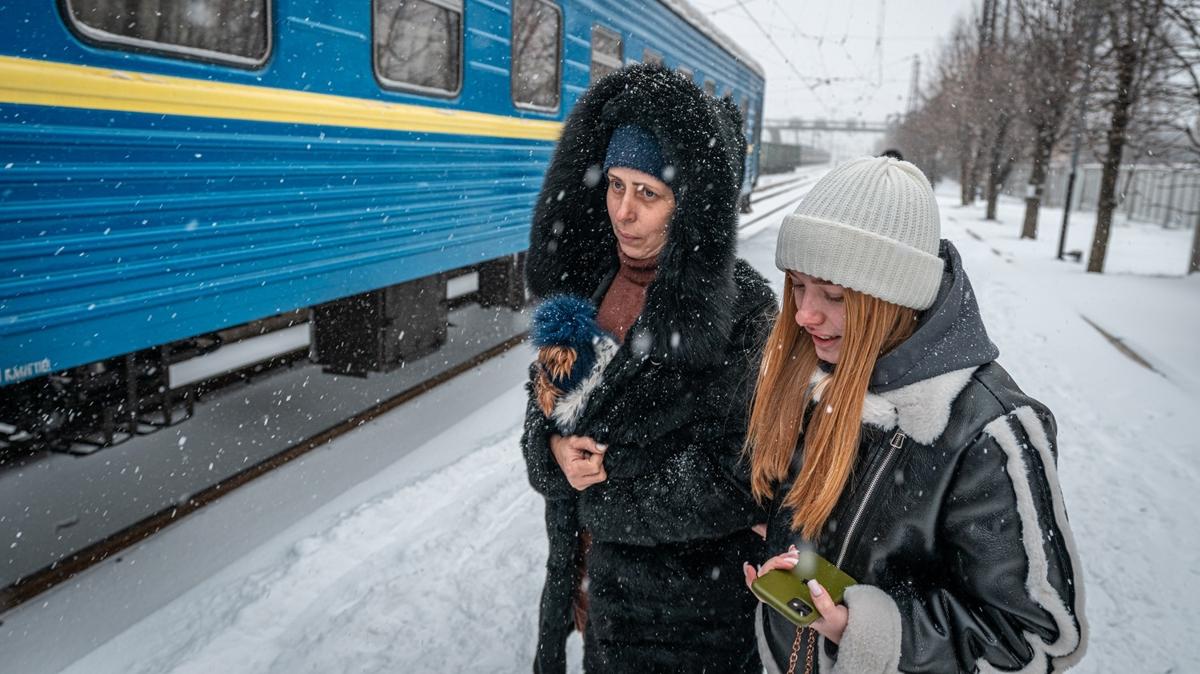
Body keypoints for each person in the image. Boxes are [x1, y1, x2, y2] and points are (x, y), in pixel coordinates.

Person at [742, 157, 1088, 673]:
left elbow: (1038, 639)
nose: (803, 314)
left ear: (894, 299)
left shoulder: (988, 430)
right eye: (796, 285)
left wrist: (863, 632)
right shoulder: (817, 371)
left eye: (833, 294)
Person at [520, 63, 776, 673]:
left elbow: (744, 477)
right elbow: (542, 417)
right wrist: (551, 457)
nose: (623, 213)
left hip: (686, 624)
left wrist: (607, 486)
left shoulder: (743, 311)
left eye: (648, 194)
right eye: (615, 185)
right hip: (590, 597)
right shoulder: (585, 286)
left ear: (687, 206)